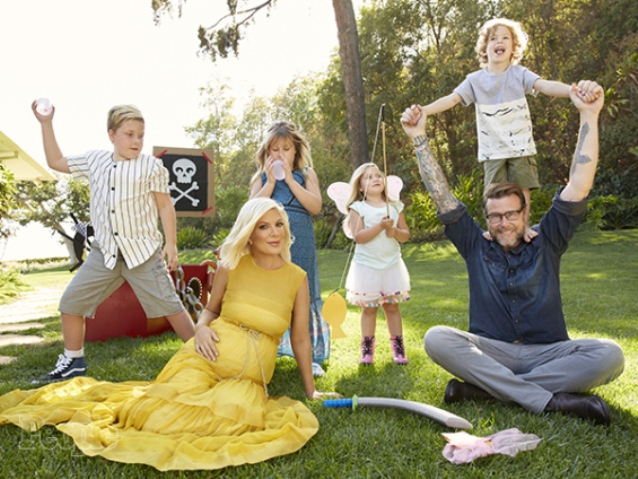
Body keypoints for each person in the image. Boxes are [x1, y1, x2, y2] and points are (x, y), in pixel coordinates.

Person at [0, 197, 340, 471]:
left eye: (279, 224)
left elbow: (300, 340)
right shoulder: (231, 265)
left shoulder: (296, 278)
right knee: (153, 416)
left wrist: (310, 390)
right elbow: (211, 310)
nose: (274, 232)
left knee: (225, 422)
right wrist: (201, 329)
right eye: (263, 226)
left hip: (246, 378)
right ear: (249, 234)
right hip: (204, 356)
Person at [400, 81, 625, 425]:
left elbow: (579, 183)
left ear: (524, 213)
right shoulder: (475, 244)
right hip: (494, 352)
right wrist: (419, 137)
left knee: (610, 355)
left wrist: (589, 115)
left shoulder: (548, 239)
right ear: (486, 219)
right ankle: (551, 400)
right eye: (495, 216)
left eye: (511, 214)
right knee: (436, 338)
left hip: (549, 353)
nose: (504, 223)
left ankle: (487, 391)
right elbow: (441, 195)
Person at [31, 103, 194, 384]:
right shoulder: (95, 160)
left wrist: (171, 244)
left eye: (140, 135)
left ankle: (203, 359)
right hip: (104, 254)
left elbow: (165, 206)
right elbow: (56, 161)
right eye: (129, 134)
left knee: (172, 308)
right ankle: (73, 362)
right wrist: (46, 123)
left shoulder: (152, 166)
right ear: (112, 135)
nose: (136, 141)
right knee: (70, 304)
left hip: (143, 255)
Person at [416, 18, 600, 242]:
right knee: (493, 190)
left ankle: (524, 226)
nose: (499, 41)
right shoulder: (474, 80)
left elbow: (544, 85)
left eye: (505, 38)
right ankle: (492, 228)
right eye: (493, 38)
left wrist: (572, 91)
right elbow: (452, 99)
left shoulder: (520, 74)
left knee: (522, 188)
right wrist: (424, 110)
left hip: (520, 145)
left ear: (513, 47)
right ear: (485, 48)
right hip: (492, 149)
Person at [250, 121, 330, 376]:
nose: (280, 154)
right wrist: (271, 183)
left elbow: (315, 206)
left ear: (296, 150)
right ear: (267, 152)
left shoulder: (307, 174)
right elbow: (250, 210)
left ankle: (309, 356)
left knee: (301, 294)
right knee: (270, 294)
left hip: (301, 239)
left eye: (286, 149)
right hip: (270, 242)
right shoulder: (261, 178)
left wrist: (291, 181)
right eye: (275, 149)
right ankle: (267, 351)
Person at [344, 163, 411, 365]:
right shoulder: (358, 208)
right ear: (360, 187)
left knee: (392, 307)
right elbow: (359, 237)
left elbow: (405, 235)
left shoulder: (395, 206)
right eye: (369, 177)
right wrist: (380, 226)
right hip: (368, 267)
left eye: (378, 175)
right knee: (369, 309)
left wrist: (394, 232)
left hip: (391, 265)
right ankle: (367, 351)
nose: (376, 179)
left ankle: (398, 349)